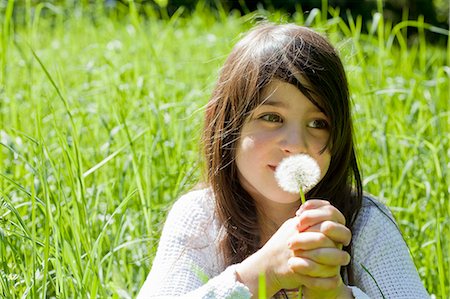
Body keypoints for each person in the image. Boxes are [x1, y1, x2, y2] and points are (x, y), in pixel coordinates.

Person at [137, 23, 428, 298]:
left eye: (318, 123)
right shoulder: (201, 218)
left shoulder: (363, 220)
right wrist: (257, 276)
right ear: (228, 127)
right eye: (272, 117)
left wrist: (335, 295)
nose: (296, 144)